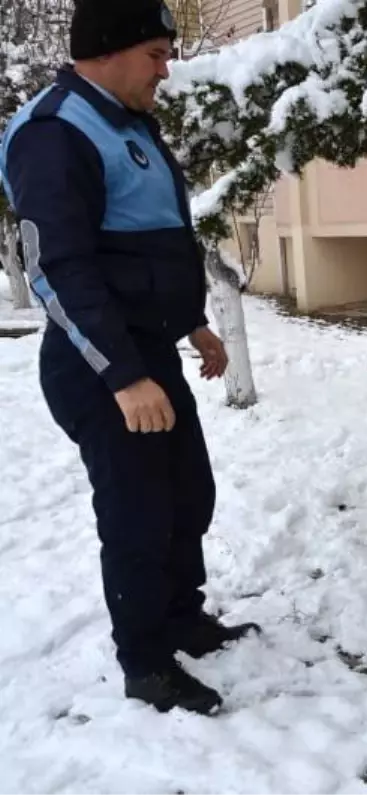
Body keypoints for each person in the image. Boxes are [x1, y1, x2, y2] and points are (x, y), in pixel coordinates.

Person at [0, 0, 259, 716]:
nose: (165, 69)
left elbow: (153, 243)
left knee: (187, 495)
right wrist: (124, 374)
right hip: (102, 370)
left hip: (148, 354)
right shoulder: (55, 134)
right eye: (155, 53)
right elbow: (61, 270)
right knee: (139, 514)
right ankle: (146, 661)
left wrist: (194, 326)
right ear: (109, 49)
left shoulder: (125, 122)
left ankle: (180, 617)